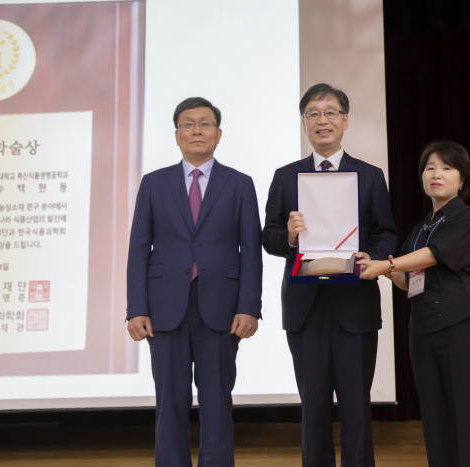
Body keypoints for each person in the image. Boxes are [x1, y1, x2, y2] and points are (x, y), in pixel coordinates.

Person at [262, 83, 397, 466]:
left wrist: (374, 255)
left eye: (330, 112)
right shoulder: (286, 177)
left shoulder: (370, 176)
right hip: (306, 309)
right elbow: (268, 237)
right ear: (304, 123)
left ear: (345, 120)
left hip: (355, 305)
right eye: (314, 114)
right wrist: (288, 236)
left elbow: (387, 231)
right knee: (313, 408)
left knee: (357, 407)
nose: (323, 120)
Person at [126, 97, 262, 467]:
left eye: (205, 123)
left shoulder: (240, 184)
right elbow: (139, 248)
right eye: (188, 124)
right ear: (177, 135)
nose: (197, 130)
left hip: (221, 307)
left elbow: (250, 250)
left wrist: (249, 307)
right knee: (169, 400)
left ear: (218, 134)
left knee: (217, 398)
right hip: (165, 307)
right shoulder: (154, 184)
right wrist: (136, 308)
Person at [359, 140, 470, 467]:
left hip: (460, 329)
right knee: (435, 419)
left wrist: (387, 265)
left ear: (463, 180)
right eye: (430, 168)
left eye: (447, 168)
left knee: (465, 420)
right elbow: (407, 280)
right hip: (424, 330)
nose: (436, 174)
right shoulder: (421, 228)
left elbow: (433, 257)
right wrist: (376, 265)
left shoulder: (466, 219)